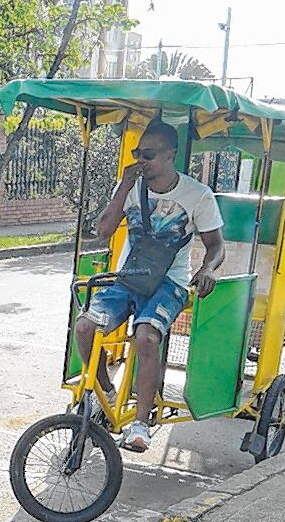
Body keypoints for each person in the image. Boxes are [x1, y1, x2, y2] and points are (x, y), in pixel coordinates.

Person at [78, 120, 226, 453]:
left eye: (149, 154)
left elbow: (217, 246)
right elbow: (102, 230)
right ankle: (106, 394)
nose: (141, 160)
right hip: (129, 277)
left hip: (169, 282)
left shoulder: (198, 195)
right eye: (137, 153)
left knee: (146, 337)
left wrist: (208, 270)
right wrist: (124, 185)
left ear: (170, 155)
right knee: (85, 326)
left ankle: (141, 423)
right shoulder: (131, 185)